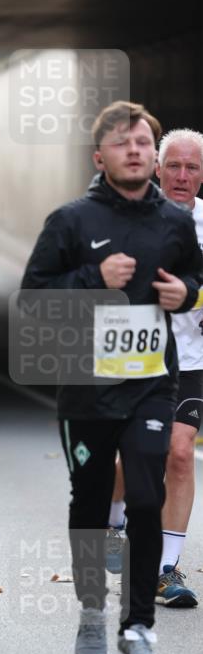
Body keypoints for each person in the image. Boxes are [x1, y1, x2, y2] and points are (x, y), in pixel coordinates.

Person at [21, 101, 201, 654]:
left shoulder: (174, 222)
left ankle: (138, 626)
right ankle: (94, 611)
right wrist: (91, 280)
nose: (135, 150)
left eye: (143, 142)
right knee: (93, 501)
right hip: (88, 389)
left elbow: (196, 277)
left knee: (146, 492)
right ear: (100, 156)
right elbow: (34, 301)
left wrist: (187, 295)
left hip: (150, 382)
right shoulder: (71, 222)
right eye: (122, 142)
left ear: (154, 154)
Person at [108, 130, 203, 604]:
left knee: (179, 453)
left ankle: (166, 569)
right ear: (158, 169)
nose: (183, 176)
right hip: (136, 354)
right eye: (176, 166)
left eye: (194, 167)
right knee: (134, 455)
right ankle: (113, 515)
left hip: (191, 360)